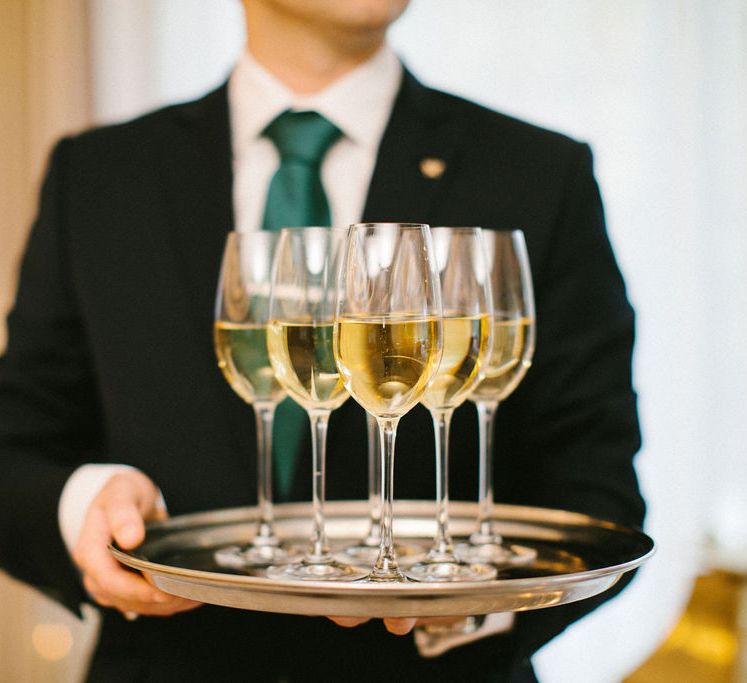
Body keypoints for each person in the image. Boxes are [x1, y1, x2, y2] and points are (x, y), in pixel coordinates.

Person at [0, 1, 645, 680]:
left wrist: (466, 604)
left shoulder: (536, 173)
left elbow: (597, 489)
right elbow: (15, 442)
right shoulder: (101, 174)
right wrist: (83, 508)